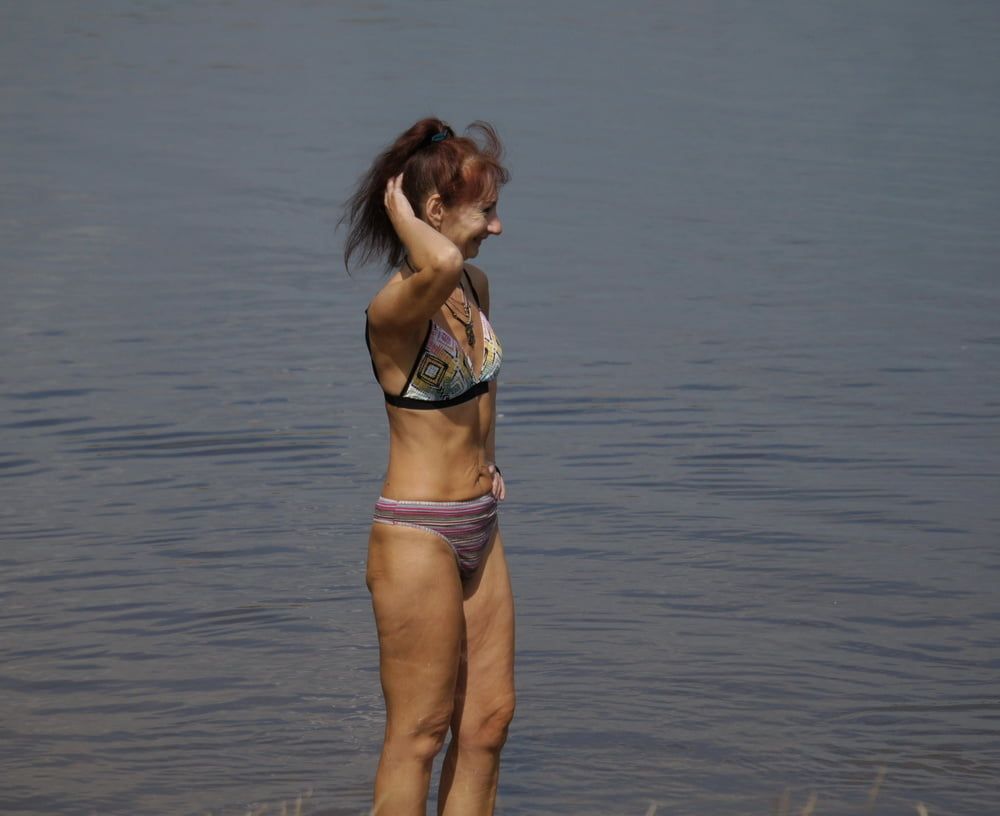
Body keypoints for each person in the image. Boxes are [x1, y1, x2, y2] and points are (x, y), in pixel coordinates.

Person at [342, 117, 514, 816]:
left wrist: (490, 460)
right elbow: (435, 263)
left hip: (480, 524)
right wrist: (396, 208)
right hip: (418, 534)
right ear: (434, 213)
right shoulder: (393, 311)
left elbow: (484, 381)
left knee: (488, 723)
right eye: (486, 211)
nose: (497, 228)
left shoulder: (473, 286)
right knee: (419, 734)